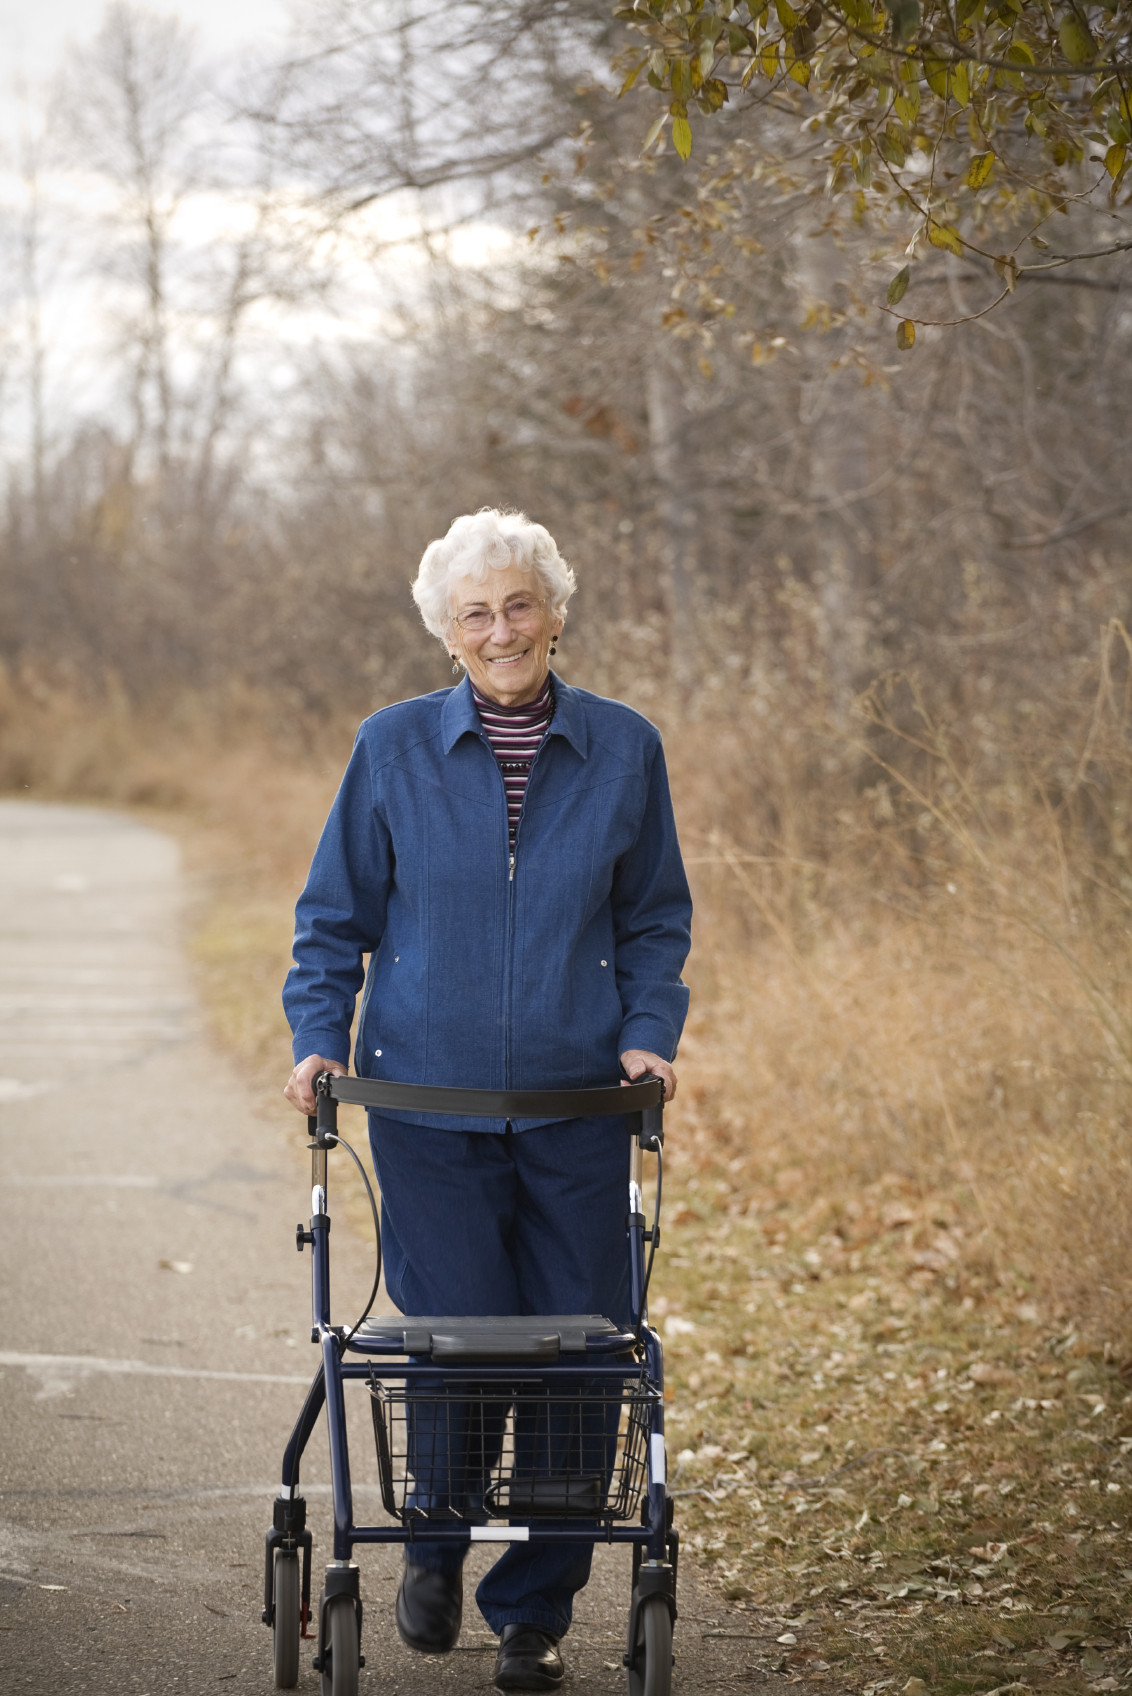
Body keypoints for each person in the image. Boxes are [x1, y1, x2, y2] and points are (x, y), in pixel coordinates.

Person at [282, 507, 692, 1693]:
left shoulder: (624, 747)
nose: (501, 629)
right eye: (477, 613)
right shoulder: (392, 746)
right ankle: (433, 1539)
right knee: (456, 1336)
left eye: (519, 605)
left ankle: (532, 1610)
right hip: (426, 1102)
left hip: (580, 1106)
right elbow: (333, 919)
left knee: (580, 1349)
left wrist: (647, 1035)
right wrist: (317, 1040)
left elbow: (654, 916)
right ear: (446, 632)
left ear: (555, 614)